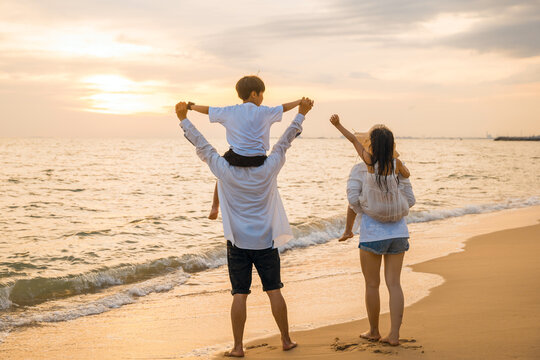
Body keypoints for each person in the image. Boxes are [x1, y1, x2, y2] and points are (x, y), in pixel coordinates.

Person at [175, 97, 314, 357]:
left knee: (240, 294)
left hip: (237, 243)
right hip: (265, 242)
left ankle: (238, 347)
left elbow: (202, 145)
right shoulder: (269, 168)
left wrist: (183, 118)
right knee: (274, 291)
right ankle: (285, 340)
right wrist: (301, 114)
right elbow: (285, 141)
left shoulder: (224, 170)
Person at [330, 115, 416, 346]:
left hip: (372, 235)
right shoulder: (398, 166)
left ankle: (374, 331)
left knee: (372, 285)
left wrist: (338, 125)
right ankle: (395, 334)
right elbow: (411, 200)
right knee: (394, 284)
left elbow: (352, 201)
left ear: (371, 146)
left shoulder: (366, 164)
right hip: (398, 233)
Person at [187, 75, 303, 220]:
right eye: (262, 94)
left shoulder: (230, 111)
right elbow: (284, 108)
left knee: (220, 176)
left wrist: (190, 107)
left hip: (236, 158)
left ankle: (215, 207)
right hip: (259, 160)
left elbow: (207, 110)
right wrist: (299, 102)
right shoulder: (265, 112)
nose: (262, 98)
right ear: (254, 94)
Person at [329, 115, 411, 240]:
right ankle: (347, 231)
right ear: (391, 146)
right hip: (395, 210)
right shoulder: (396, 163)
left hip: (374, 210)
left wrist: (337, 125)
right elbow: (406, 175)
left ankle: (347, 231)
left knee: (352, 202)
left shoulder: (369, 162)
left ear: (372, 145)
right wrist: (402, 170)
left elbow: (353, 140)